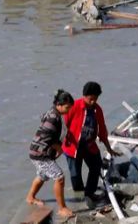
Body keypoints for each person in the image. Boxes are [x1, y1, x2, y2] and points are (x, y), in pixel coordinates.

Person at [62, 81, 121, 206]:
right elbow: (64, 125)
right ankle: (79, 200)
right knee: (75, 174)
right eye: (91, 99)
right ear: (84, 96)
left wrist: (109, 148)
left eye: (96, 99)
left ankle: (90, 193)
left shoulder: (97, 110)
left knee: (96, 166)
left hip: (89, 145)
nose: (93, 102)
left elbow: (102, 130)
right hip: (73, 146)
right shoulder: (74, 106)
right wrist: (58, 145)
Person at [26, 89, 75, 219]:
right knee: (59, 177)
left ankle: (30, 197)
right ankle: (62, 208)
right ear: (59, 105)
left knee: (42, 176)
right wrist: (59, 148)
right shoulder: (54, 117)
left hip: (37, 151)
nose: (68, 110)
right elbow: (45, 136)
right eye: (67, 107)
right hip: (40, 154)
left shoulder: (53, 113)